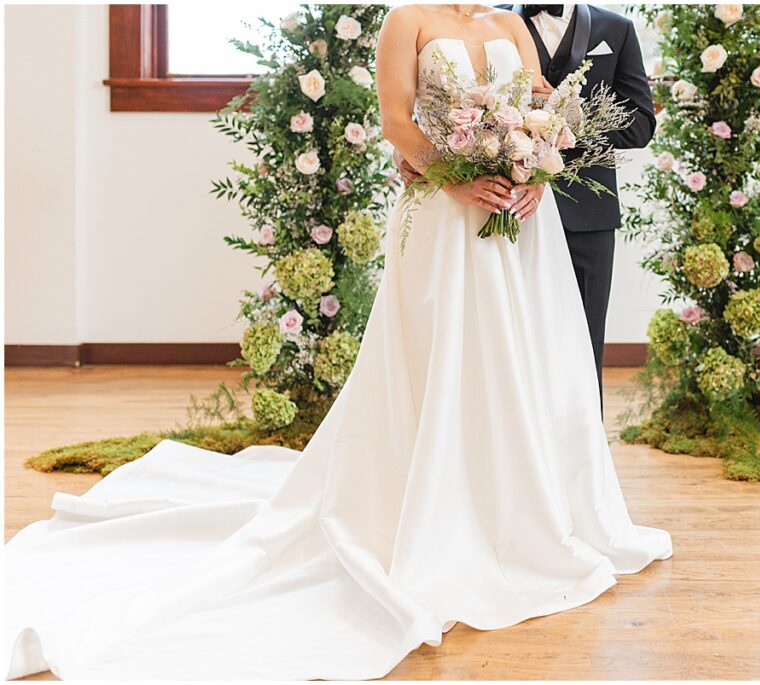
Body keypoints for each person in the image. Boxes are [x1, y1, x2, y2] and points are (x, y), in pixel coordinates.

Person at [2, 5, 671, 680]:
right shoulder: (406, 19)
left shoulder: (510, 25)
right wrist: (454, 175)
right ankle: (434, 505)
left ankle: (521, 506)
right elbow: (397, 122)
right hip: (443, 218)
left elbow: (540, 108)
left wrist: (535, 175)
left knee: (519, 361)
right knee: (439, 359)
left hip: (517, 220)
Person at [398, 4, 656, 407]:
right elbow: (423, 105)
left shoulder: (616, 29)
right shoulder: (490, 20)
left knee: (581, 349)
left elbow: (641, 124)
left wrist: (564, 120)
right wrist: (413, 156)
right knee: (493, 346)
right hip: (492, 206)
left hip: (586, 212)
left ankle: (578, 462)